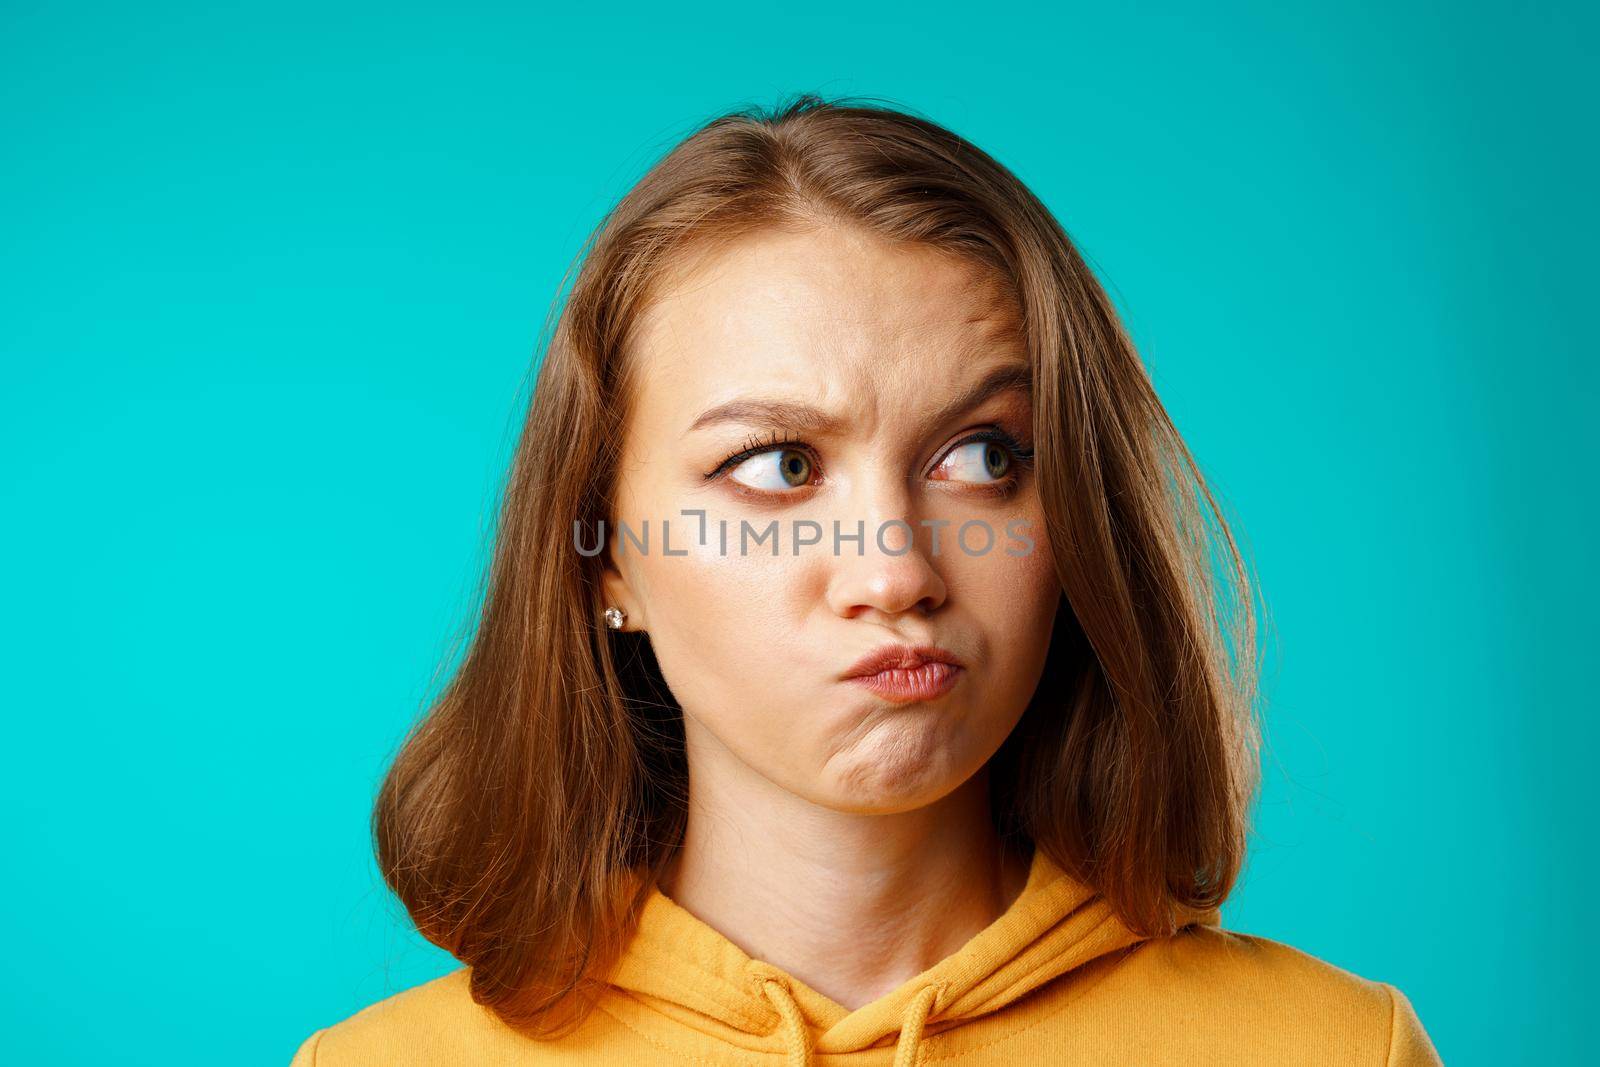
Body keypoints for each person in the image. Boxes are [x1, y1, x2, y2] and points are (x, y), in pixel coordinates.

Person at [290, 93, 1442, 1065]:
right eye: (778, 467)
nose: (895, 570)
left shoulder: (1333, 1046)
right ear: (604, 557)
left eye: (983, 457)